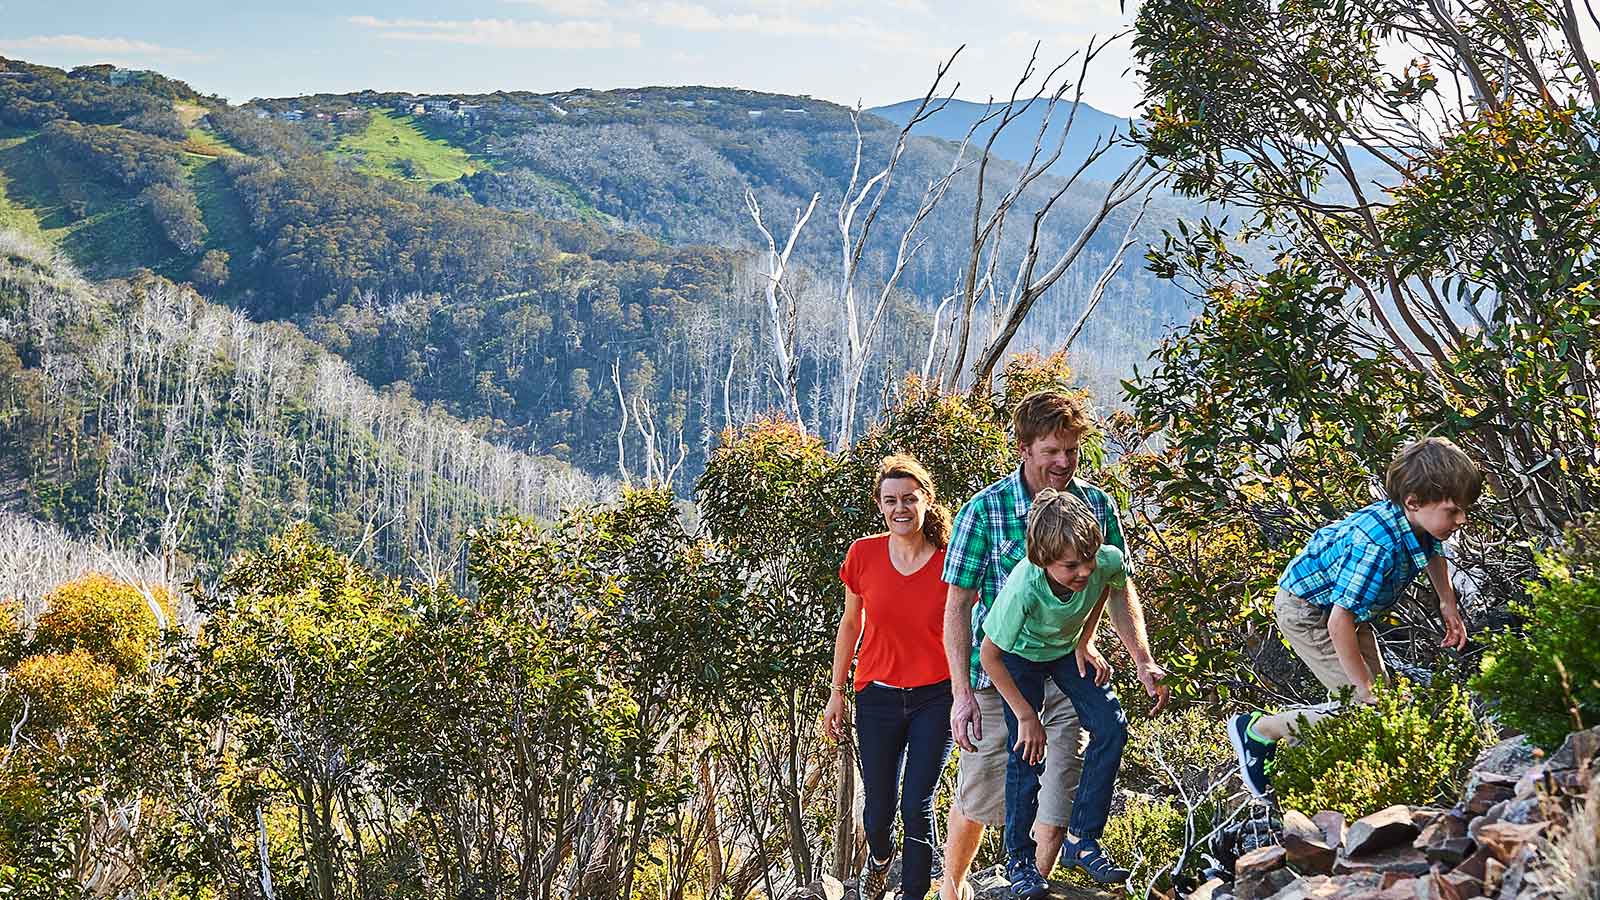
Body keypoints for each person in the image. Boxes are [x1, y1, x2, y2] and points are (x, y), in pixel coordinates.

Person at [940, 390, 1170, 900]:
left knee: (1057, 791)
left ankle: (1029, 881)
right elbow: (957, 608)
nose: (1064, 461)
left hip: (1064, 661)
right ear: (1025, 448)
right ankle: (951, 887)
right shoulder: (985, 511)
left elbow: (1114, 584)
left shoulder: (1096, 506)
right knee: (982, 797)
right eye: (1052, 450)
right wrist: (960, 693)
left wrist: (1137, 656)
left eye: (1072, 450)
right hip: (998, 672)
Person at [1228, 437, 1482, 797]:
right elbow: (1338, 622)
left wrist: (1447, 603)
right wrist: (1361, 687)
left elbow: (1433, 551)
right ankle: (1261, 730)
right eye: (1454, 511)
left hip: (1346, 614)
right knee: (1364, 704)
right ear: (1413, 501)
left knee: (1385, 702)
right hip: (1309, 613)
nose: (1462, 520)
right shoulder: (1376, 545)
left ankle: (1316, 753)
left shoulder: (1418, 523)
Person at [980, 490, 1132, 895]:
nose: (1083, 571)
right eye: (1070, 566)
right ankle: (1019, 861)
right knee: (1026, 752)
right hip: (1019, 657)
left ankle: (1082, 839)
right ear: (1043, 560)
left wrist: (1086, 638)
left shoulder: (1105, 560)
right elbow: (989, 656)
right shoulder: (1024, 587)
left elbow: (1108, 585)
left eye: (1088, 559)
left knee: (1111, 727)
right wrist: (1028, 718)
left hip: (1065, 650)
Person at [824, 454, 956, 900]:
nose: (900, 508)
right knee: (879, 809)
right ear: (880, 505)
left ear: (926, 502)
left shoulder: (948, 559)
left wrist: (970, 692)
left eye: (909, 499)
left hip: (936, 698)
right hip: (876, 697)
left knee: (918, 803)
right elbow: (850, 623)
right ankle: (879, 859)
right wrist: (836, 691)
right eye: (890, 500)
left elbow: (968, 626)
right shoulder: (863, 554)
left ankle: (915, 893)